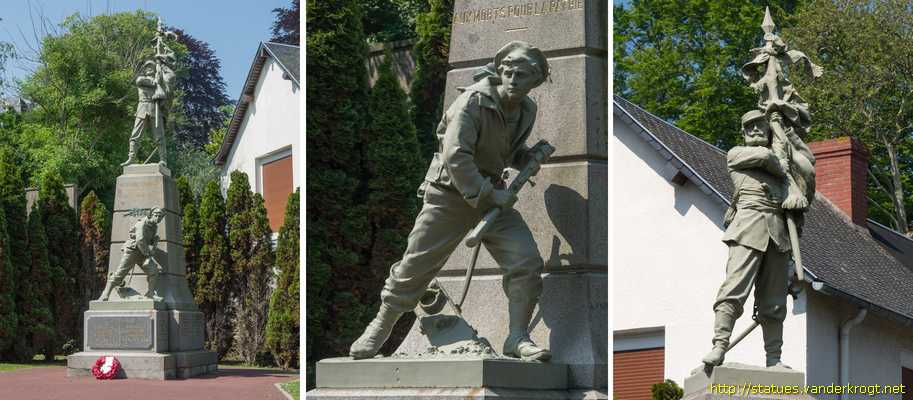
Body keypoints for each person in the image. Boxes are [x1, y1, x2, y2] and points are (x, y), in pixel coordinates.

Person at [349, 41, 552, 361]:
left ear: (535, 81)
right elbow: (455, 155)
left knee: (525, 262)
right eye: (509, 72)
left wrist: (526, 157)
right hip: (450, 195)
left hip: (492, 197)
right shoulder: (472, 101)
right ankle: (379, 329)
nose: (513, 80)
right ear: (500, 71)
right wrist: (488, 193)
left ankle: (517, 337)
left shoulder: (526, 109)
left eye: (522, 75)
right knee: (414, 266)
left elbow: (504, 150)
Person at [703, 110, 807, 368]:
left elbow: (794, 191)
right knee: (733, 290)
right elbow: (764, 157)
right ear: (743, 131)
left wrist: (795, 197)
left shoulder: (782, 171)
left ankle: (774, 358)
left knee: (774, 301)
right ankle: (719, 345)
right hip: (748, 229)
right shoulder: (737, 154)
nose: (756, 130)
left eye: (761, 125)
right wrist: (780, 161)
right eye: (750, 126)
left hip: (778, 235)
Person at [98, 208, 165, 302]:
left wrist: (154, 240)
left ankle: (150, 294)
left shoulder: (154, 227)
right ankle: (105, 294)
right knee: (119, 274)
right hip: (133, 251)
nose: (158, 218)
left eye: (160, 216)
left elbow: (147, 240)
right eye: (156, 215)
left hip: (142, 253)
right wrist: (148, 254)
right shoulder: (141, 224)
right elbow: (140, 240)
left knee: (153, 271)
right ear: (151, 215)